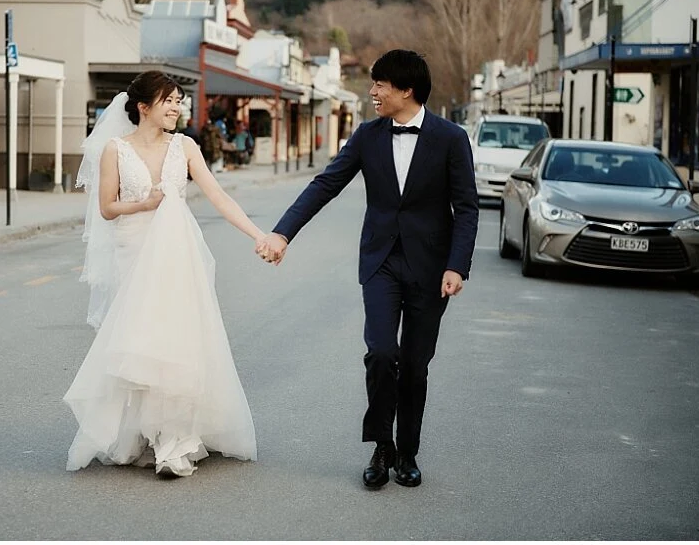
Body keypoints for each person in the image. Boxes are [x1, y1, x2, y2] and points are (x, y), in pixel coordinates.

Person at [257, 49, 478, 489]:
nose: (372, 92)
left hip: (431, 268)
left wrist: (457, 266)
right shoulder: (367, 136)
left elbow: (467, 208)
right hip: (380, 262)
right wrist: (283, 233)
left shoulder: (451, 138)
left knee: (415, 364)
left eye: (380, 85)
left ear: (406, 90)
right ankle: (382, 447)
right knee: (381, 353)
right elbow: (326, 184)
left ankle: (408, 451)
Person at [64, 71, 268, 478]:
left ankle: (174, 441)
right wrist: (146, 204)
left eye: (179, 101)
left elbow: (218, 195)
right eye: (169, 101)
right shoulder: (114, 150)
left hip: (177, 255)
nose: (178, 108)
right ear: (143, 107)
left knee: (176, 342)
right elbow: (107, 207)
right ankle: (143, 433)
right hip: (133, 252)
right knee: (141, 343)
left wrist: (259, 235)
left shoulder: (186, 146)